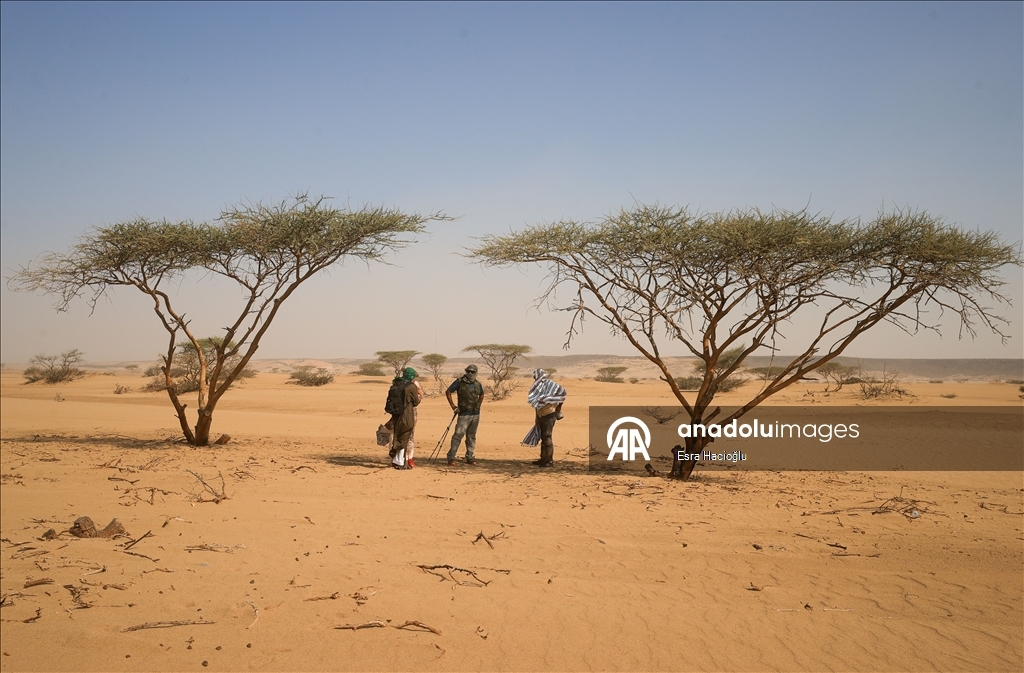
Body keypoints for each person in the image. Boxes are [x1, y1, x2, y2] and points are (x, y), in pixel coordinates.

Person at [445, 364, 485, 466]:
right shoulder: (459, 382)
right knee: (458, 435)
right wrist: (453, 406)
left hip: (475, 414)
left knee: (471, 436)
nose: (470, 373)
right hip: (463, 414)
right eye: (468, 371)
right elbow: (448, 391)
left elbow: (482, 394)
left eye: (472, 372)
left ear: (476, 373)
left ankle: (470, 457)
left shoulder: (477, 384)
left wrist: (479, 405)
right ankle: (451, 457)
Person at [527, 368, 566, 468]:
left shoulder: (550, 384)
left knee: (547, 436)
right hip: (541, 414)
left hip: (549, 413)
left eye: (535, 376)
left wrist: (559, 407)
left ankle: (549, 461)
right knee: (543, 437)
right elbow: (536, 403)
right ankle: (543, 459)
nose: (534, 377)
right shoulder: (537, 387)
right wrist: (537, 418)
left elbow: (562, 393)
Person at [390, 367, 422, 469]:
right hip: (407, 415)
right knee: (405, 437)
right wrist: (419, 394)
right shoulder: (411, 386)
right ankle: (401, 462)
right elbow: (416, 402)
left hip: (396, 414)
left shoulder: (396, 384)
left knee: (397, 435)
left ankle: (396, 459)